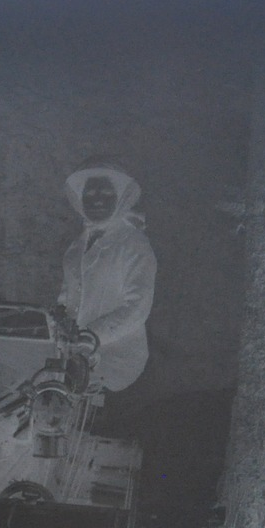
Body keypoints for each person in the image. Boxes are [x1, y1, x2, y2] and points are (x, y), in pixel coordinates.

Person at [58, 161, 156, 393]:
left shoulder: (134, 243)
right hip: (75, 358)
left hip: (116, 361)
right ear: (81, 199)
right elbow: (66, 298)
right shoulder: (77, 247)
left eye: (107, 192)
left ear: (120, 198)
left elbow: (137, 306)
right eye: (90, 193)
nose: (98, 199)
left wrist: (94, 335)